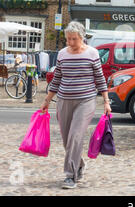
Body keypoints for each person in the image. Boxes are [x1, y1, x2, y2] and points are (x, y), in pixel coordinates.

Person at [40, 21, 110, 189]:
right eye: (68, 39)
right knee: (66, 140)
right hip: (64, 100)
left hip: (85, 101)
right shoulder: (62, 54)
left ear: (82, 38)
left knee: (75, 136)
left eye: (74, 39)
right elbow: (56, 79)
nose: (70, 43)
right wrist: (47, 100)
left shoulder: (92, 54)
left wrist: (106, 101)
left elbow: (100, 79)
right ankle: (79, 164)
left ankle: (70, 176)